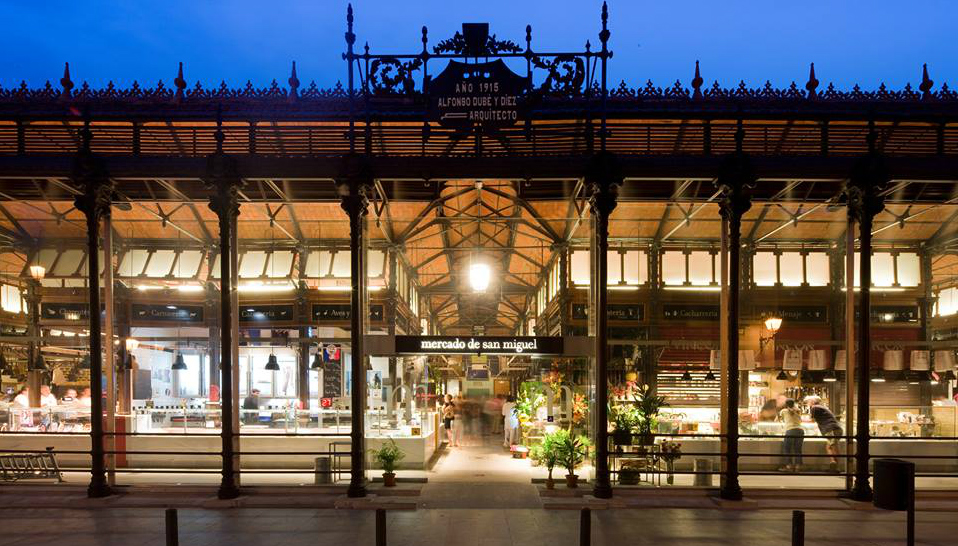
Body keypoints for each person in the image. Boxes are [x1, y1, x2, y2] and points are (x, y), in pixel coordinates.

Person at [805, 395, 842, 472]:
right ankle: (834, 465)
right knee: (830, 446)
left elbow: (811, 420)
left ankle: (835, 464)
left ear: (812, 401)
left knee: (832, 446)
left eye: (808, 402)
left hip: (830, 429)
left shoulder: (814, 408)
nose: (807, 403)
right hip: (836, 428)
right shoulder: (822, 407)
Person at [778, 398, 804, 472]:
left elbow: (778, 420)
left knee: (787, 449)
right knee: (798, 450)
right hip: (800, 430)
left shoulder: (783, 411)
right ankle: (798, 467)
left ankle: (789, 466)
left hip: (790, 430)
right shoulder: (798, 410)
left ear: (786, 404)